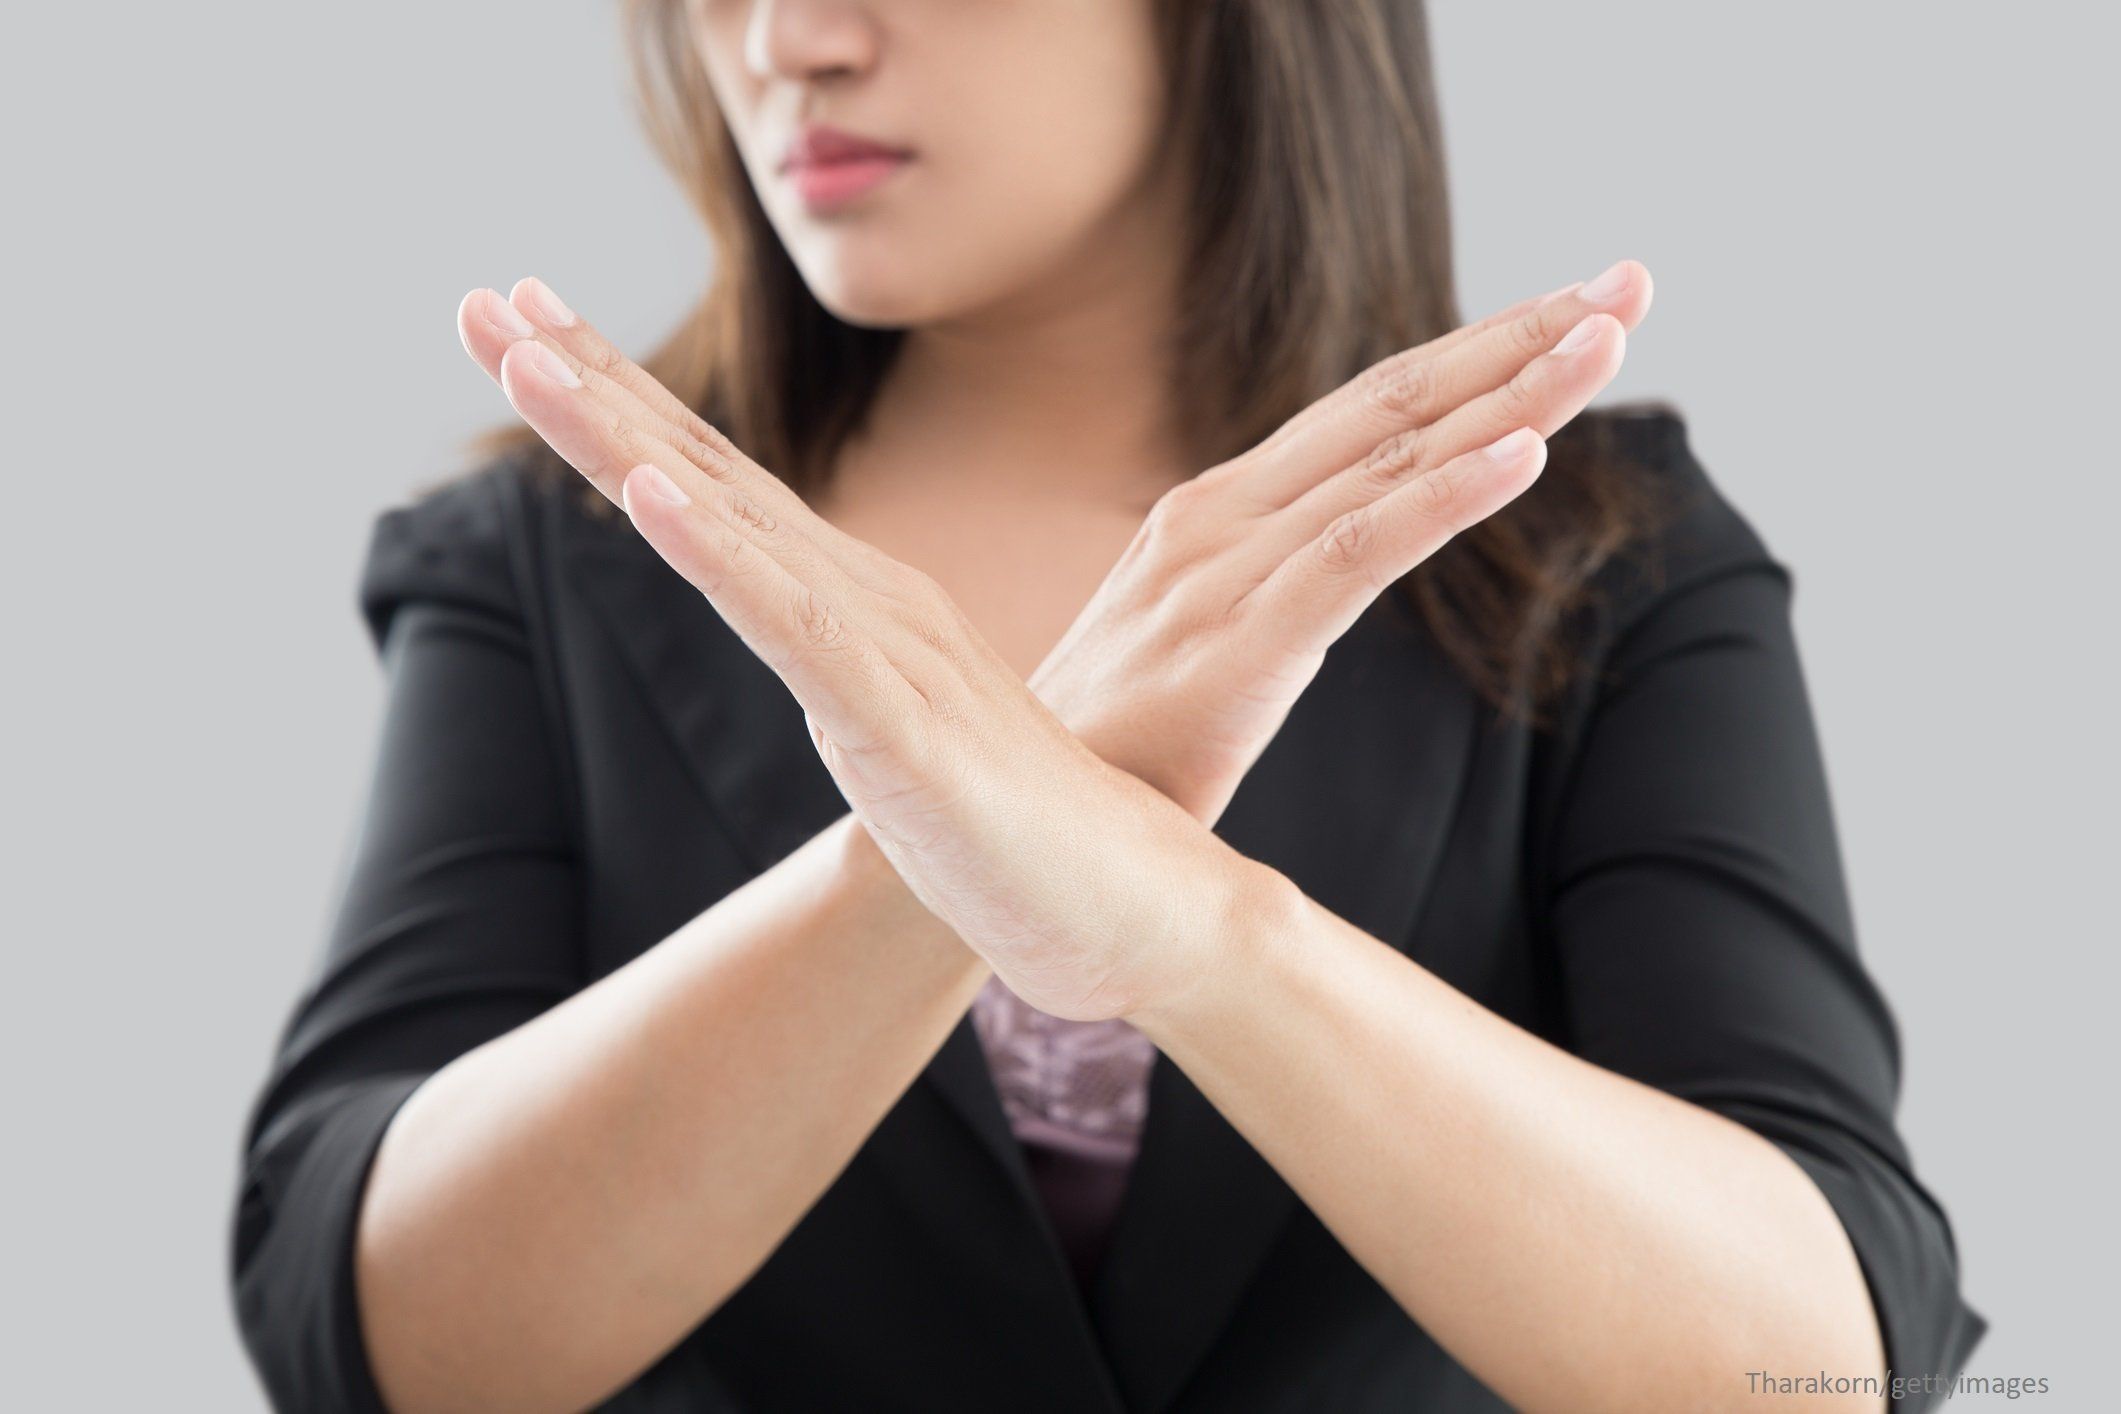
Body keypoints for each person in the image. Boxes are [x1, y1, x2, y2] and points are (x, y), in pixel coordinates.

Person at [230, 2, 1985, 1410]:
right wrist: (928, 860)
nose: (783, 39)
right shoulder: (538, 561)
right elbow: (365, 1327)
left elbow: (1836, 1356)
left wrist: (1199, 938)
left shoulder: (1597, 553)